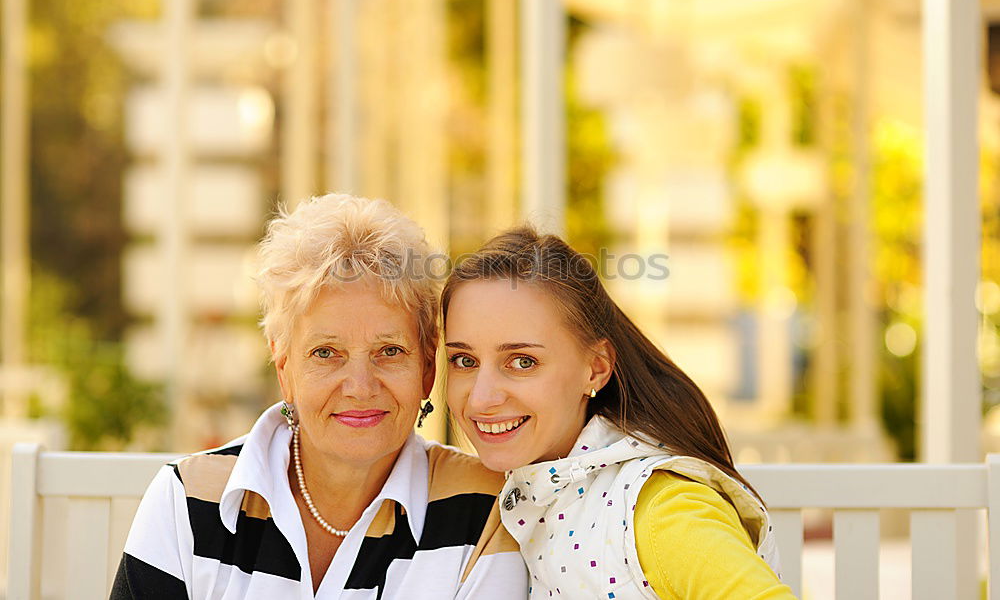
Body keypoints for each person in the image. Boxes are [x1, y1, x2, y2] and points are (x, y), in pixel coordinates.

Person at [111, 194, 526, 600]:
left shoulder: (485, 507)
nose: (360, 387)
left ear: (427, 369)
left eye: (390, 351)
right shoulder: (186, 501)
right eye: (326, 353)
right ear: (285, 369)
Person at [442, 227, 797, 599]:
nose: (481, 398)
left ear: (595, 368)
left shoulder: (663, 509)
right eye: (464, 360)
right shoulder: (531, 493)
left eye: (522, 361)